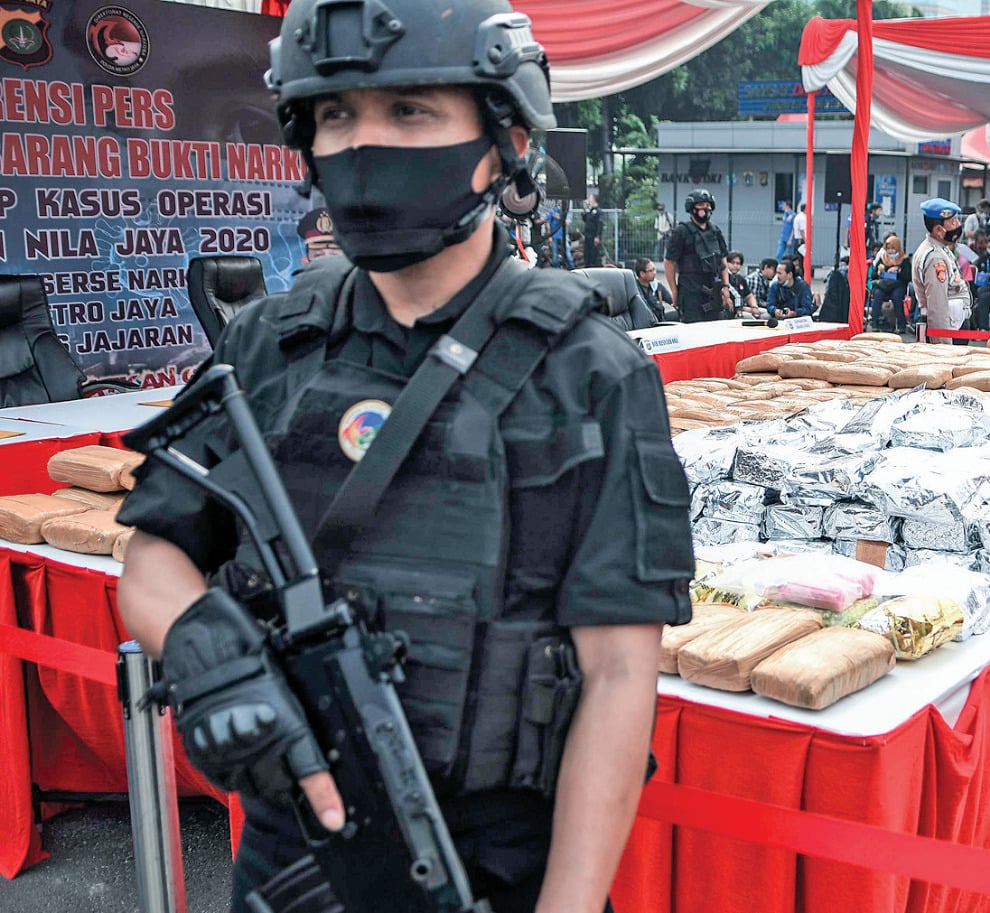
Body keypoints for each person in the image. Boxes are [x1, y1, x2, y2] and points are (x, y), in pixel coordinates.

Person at [116, 4, 694, 913]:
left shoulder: (592, 372)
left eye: (411, 111)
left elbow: (620, 674)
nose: (367, 143)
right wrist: (203, 645)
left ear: (501, 135)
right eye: (338, 115)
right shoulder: (267, 343)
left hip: (497, 864)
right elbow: (155, 553)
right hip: (292, 848)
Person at [664, 189, 730, 322]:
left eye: (708, 206)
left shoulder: (715, 231)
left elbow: (723, 259)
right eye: (701, 206)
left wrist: (726, 287)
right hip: (690, 291)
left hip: (714, 289)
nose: (705, 209)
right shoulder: (681, 232)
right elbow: (669, 262)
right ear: (692, 208)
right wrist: (674, 291)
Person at [910, 197, 971, 343]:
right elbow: (937, 306)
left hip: (953, 326)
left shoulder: (940, 248)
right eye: (953, 222)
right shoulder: (935, 258)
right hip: (946, 330)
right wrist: (943, 347)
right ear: (939, 230)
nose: (958, 225)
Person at [870, 234, 909, 332]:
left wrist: (899, 270)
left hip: (897, 285)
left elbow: (908, 276)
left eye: (893, 248)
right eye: (888, 248)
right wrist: (879, 272)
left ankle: (901, 325)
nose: (890, 251)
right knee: (878, 295)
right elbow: (873, 275)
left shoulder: (904, 259)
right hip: (883, 285)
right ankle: (874, 323)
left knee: (897, 297)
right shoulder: (883, 258)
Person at [634, 258, 673, 322]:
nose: (654, 273)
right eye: (651, 271)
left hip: (660, 319)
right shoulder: (634, 288)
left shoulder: (657, 285)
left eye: (654, 269)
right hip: (646, 322)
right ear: (642, 274)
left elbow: (671, 300)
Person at [724, 250, 759, 317]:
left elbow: (749, 296)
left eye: (738, 263)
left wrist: (754, 306)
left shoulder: (741, 279)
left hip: (743, 309)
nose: (735, 266)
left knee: (765, 314)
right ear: (726, 263)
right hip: (733, 311)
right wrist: (745, 309)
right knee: (751, 317)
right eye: (732, 263)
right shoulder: (724, 278)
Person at [582, 194, 603, 267]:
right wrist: (584, 210)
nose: (589, 200)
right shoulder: (590, 211)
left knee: (593, 254)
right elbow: (585, 219)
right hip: (587, 235)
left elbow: (599, 224)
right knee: (586, 253)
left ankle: (593, 265)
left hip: (593, 236)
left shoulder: (598, 211)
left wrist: (598, 236)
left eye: (590, 198)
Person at [792, 203, 808, 275]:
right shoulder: (802, 218)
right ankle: (801, 275)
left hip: (798, 241)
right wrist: (806, 242)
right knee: (802, 260)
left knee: (799, 260)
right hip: (801, 241)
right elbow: (802, 231)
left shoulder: (798, 216)